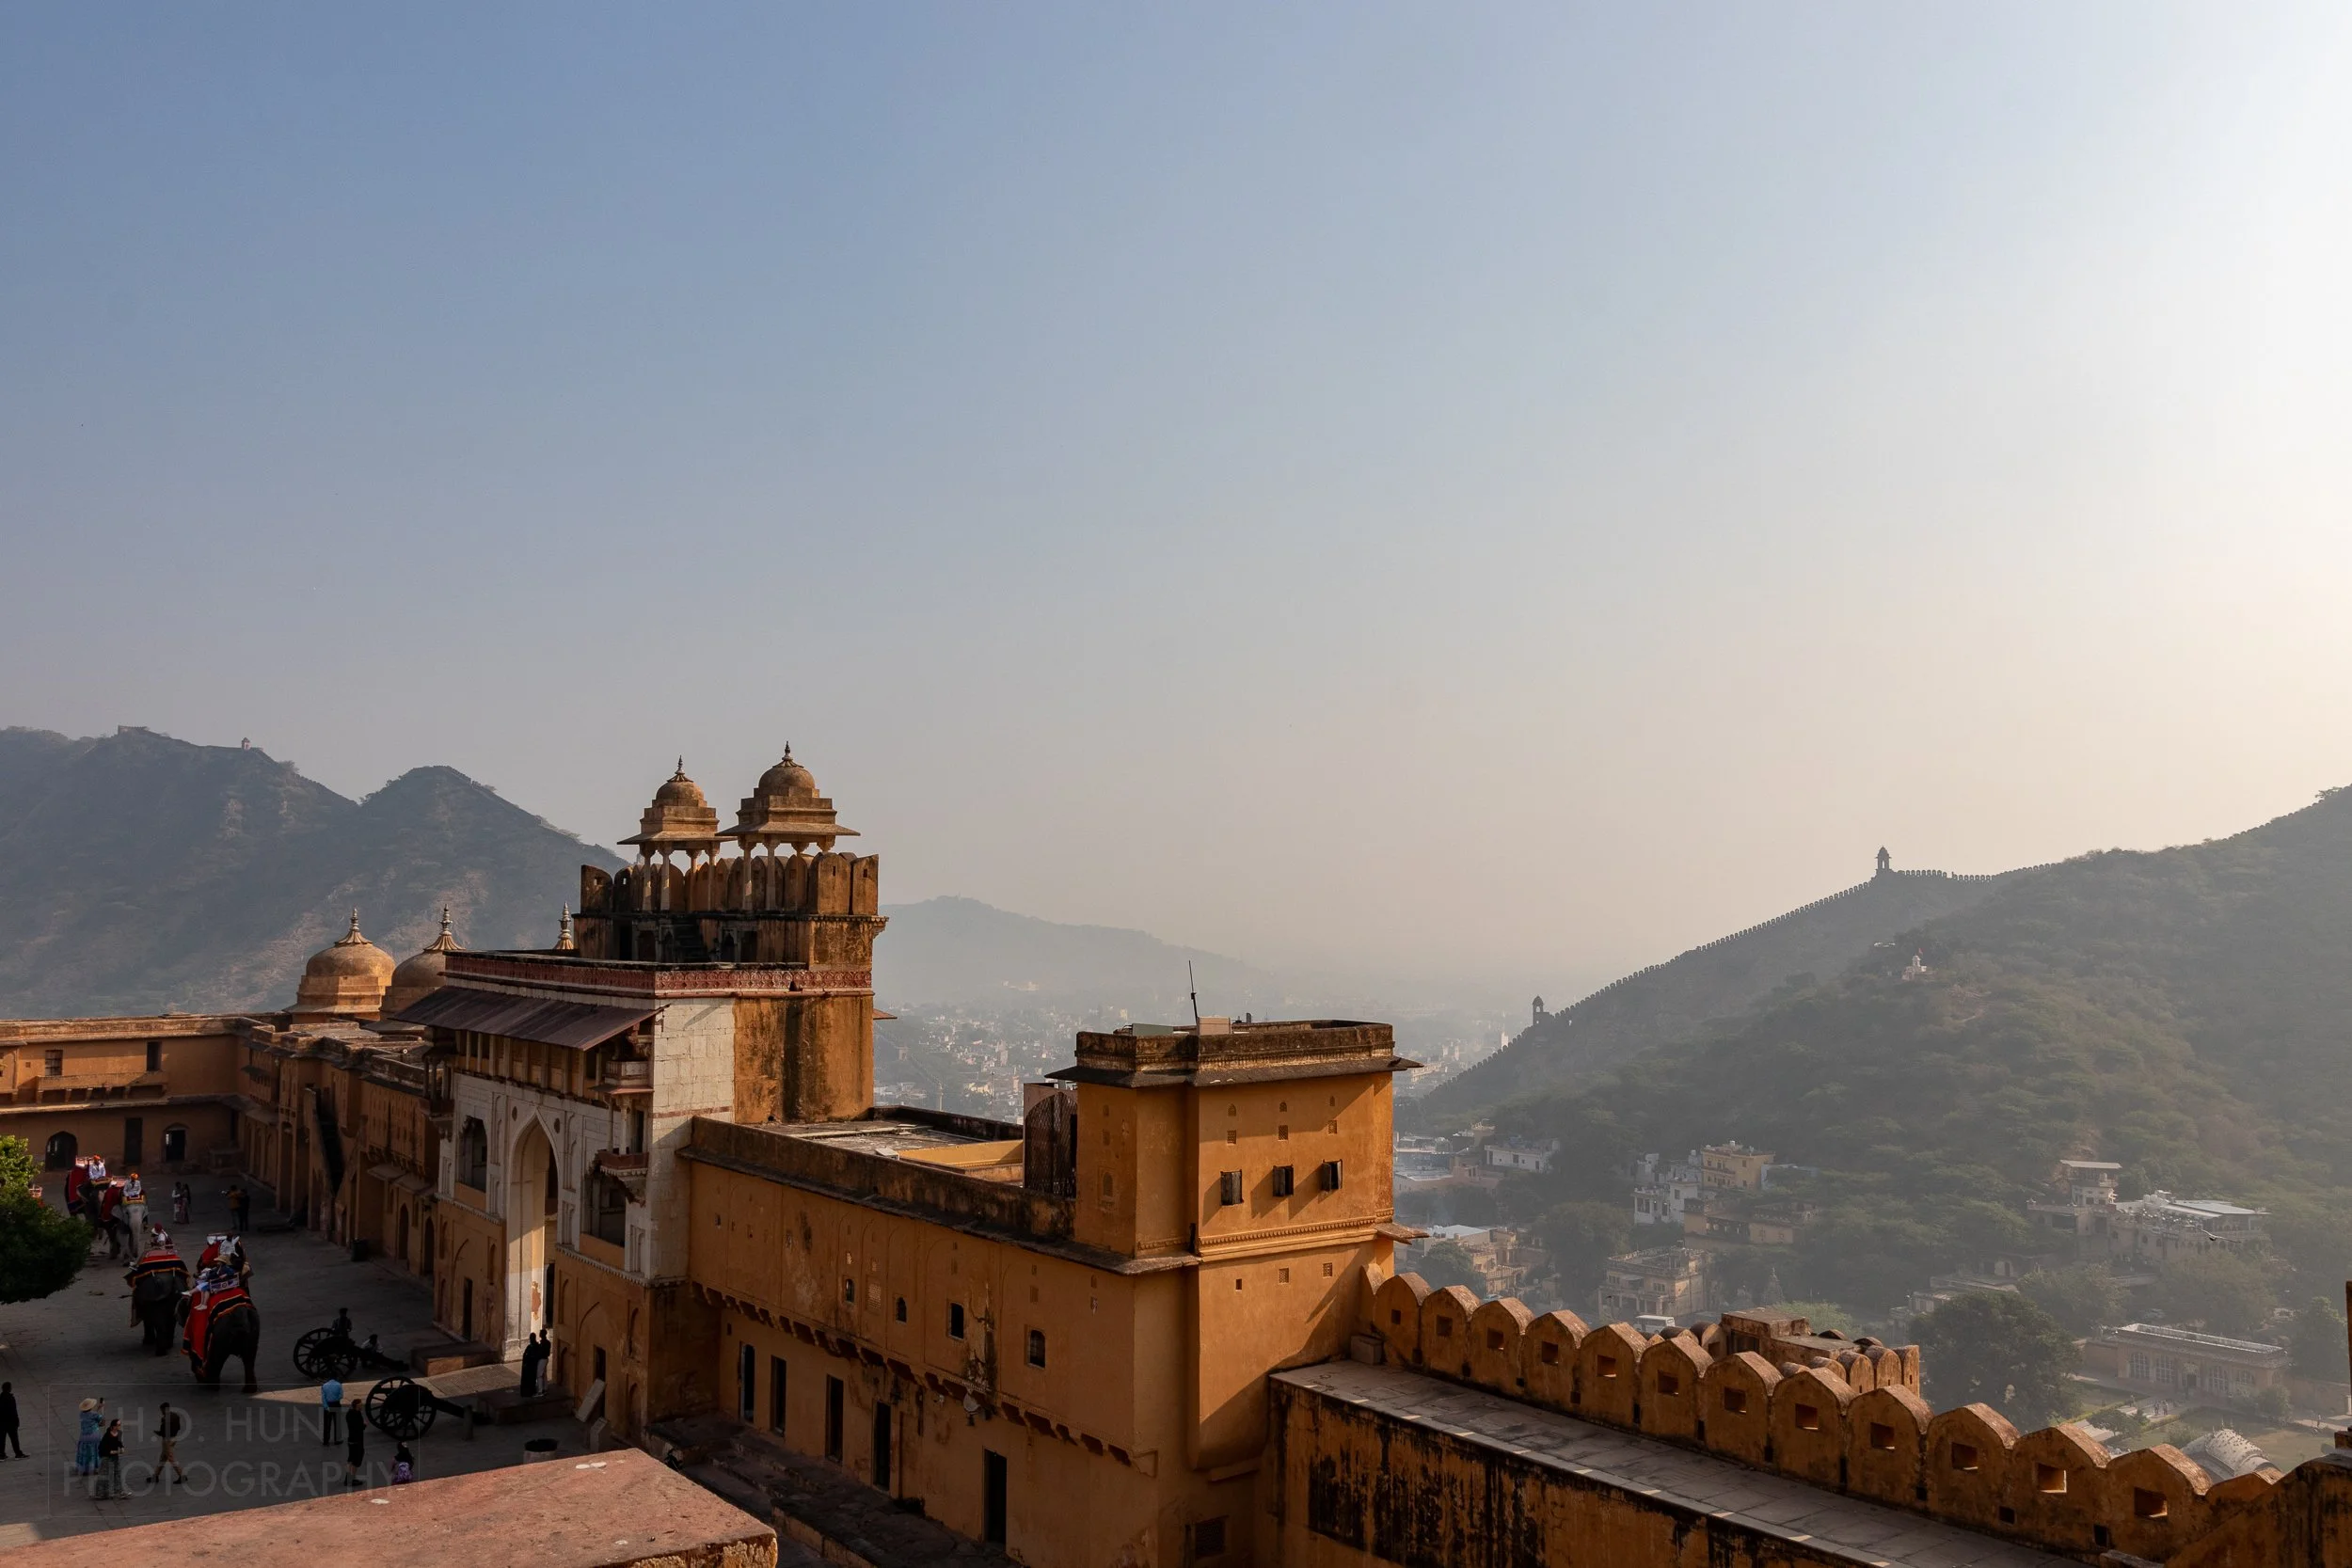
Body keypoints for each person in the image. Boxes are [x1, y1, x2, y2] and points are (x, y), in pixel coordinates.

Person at [154, 1402, 185, 1485]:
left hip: (167, 1440)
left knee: (171, 1458)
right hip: (174, 1438)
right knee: (163, 1458)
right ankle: (155, 1476)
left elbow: (163, 1431)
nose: (161, 1412)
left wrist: (158, 1433)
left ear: (164, 1409)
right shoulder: (176, 1416)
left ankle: (182, 1476)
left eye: (161, 1410)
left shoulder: (165, 1418)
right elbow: (178, 1427)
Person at [93, 1418, 123, 1499]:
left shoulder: (119, 1433)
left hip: (115, 1456)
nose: (119, 1426)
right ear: (113, 1426)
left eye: (120, 1425)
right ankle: (100, 1493)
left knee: (117, 1473)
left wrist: (121, 1447)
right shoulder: (107, 1435)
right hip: (106, 1456)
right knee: (104, 1474)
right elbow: (103, 1447)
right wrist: (111, 1452)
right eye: (118, 1425)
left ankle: (118, 1490)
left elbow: (119, 1442)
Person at [72, 1398, 103, 1476]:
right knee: (95, 1451)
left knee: (85, 1452)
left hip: (84, 1436)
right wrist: (101, 1412)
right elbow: (100, 1420)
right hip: (94, 1435)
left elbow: (90, 1415)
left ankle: (84, 1469)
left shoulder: (81, 1414)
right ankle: (95, 1468)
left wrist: (98, 1409)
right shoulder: (95, 1415)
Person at [343, 1401, 366, 1487]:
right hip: (357, 1440)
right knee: (356, 1461)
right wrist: (364, 1425)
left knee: (350, 1459)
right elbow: (359, 1427)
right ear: (357, 1406)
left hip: (351, 1440)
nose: (362, 1406)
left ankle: (348, 1478)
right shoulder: (357, 1415)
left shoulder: (349, 1414)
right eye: (360, 1405)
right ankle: (351, 1479)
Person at [120, 1172, 146, 1242]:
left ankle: (145, 1220)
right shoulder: (127, 1183)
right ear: (131, 1178)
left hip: (136, 1195)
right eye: (133, 1179)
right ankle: (123, 1220)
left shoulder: (138, 1182)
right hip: (129, 1195)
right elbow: (125, 1190)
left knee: (144, 1205)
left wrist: (137, 1193)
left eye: (135, 1179)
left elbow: (139, 1189)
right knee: (123, 1206)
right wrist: (127, 1195)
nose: (134, 1180)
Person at [320, 1376, 344, 1446]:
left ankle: (326, 1440)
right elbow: (341, 1396)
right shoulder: (339, 1385)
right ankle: (337, 1440)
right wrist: (336, 1398)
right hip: (336, 1404)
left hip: (328, 1405)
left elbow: (323, 1398)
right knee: (337, 1423)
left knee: (327, 1423)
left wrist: (326, 1407)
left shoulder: (324, 1386)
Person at [0, 1382, 22, 1459]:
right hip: (10, 1423)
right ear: (9, 1388)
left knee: (2, 1440)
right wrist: (17, 1420)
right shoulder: (10, 1398)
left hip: (2, 1423)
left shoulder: (1, 1397)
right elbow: (13, 1411)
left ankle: (1, 1454)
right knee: (14, 1439)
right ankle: (18, 1453)